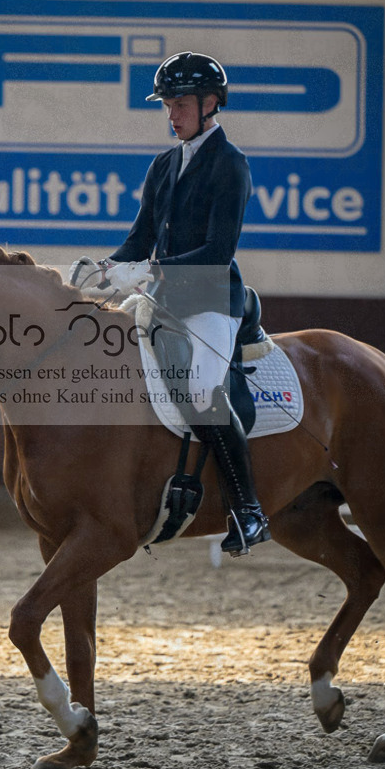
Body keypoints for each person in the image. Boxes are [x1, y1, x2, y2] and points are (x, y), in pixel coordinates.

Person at [101, 51, 270, 556]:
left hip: (213, 302)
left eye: (179, 104)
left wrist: (152, 273)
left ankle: (248, 510)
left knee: (199, 388)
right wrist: (102, 272)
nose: (171, 114)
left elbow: (219, 252)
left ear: (210, 103)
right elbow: (139, 239)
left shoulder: (231, 164)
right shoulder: (163, 164)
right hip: (165, 300)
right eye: (167, 105)